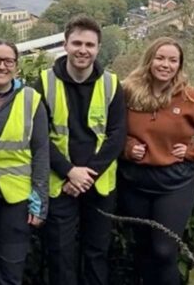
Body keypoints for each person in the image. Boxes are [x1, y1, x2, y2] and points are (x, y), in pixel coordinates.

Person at [119, 37, 194, 284]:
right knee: (141, 248)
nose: (166, 65)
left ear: (179, 65)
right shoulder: (127, 92)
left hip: (174, 184)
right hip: (135, 181)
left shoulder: (189, 98)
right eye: (160, 58)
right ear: (150, 60)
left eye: (173, 60)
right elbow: (111, 129)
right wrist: (127, 147)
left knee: (164, 251)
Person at [34, 15, 127, 285]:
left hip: (97, 187)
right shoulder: (45, 82)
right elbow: (38, 136)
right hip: (60, 184)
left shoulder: (111, 83)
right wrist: (69, 172)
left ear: (98, 48)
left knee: (96, 253)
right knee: (60, 255)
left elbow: (117, 135)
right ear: (65, 45)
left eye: (90, 44)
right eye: (77, 43)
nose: (83, 50)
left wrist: (86, 177)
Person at [0, 39, 50, 285]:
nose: (2, 66)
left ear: (16, 66)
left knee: (11, 269)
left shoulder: (30, 99)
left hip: (17, 199)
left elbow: (41, 151)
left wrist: (40, 201)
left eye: (8, 61)